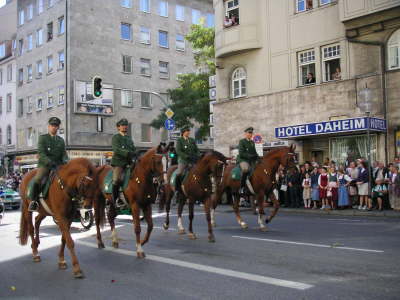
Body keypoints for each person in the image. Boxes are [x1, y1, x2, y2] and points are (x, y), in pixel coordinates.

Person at [28, 117, 68, 212]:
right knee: (37, 179)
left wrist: (66, 162)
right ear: (49, 126)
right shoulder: (43, 138)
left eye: (56, 126)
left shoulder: (61, 140)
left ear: (58, 128)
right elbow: (41, 153)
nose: (54, 128)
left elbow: (64, 154)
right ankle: (33, 201)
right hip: (45, 166)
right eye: (52, 126)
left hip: (58, 166)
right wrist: (49, 162)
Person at [111, 118, 136, 207]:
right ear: (118, 127)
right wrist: (127, 153)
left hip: (129, 163)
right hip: (119, 163)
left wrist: (135, 153)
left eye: (126, 125)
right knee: (117, 179)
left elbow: (133, 148)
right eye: (122, 125)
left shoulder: (129, 138)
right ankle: (116, 199)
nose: (125, 127)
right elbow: (116, 149)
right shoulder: (116, 137)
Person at [175, 126, 200, 195]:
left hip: (192, 160)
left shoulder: (192, 140)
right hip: (183, 161)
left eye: (189, 131)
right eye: (187, 131)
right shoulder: (179, 140)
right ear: (183, 132)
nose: (188, 132)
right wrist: (186, 156)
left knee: (198, 173)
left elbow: (196, 149)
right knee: (179, 173)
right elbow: (178, 151)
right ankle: (177, 188)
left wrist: (198, 155)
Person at [237, 127, 258, 195]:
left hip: (251, 160)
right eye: (249, 133)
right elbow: (241, 153)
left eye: (251, 133)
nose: (250, 134)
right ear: (245, 133)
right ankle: (242, 187)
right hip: (243, 160)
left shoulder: (252, 142)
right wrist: (250, 156)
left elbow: (254, 152)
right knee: (245, 169)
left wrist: (258, 157)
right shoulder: (242, 141)